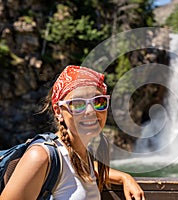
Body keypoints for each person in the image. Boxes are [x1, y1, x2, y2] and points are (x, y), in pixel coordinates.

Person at [0, 65, 145, 200]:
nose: (91, 111)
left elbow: (82, 167)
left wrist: (125, 178)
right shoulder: (40, 156)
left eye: (99, 101)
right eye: (77, 104)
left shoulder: (82, 157)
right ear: (58, 111)